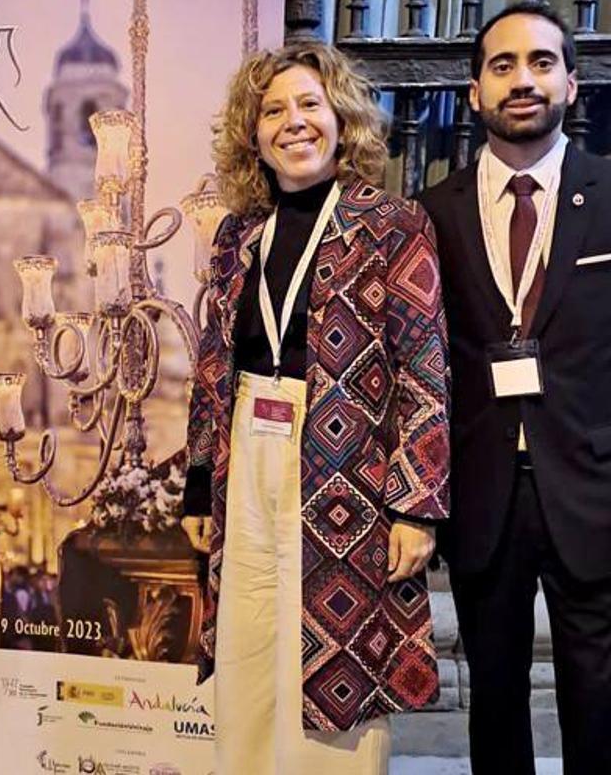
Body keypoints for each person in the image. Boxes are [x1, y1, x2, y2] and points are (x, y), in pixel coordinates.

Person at [417, 2, 611, 775]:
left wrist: (590, 417)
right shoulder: (429, 214)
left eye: (540, 62)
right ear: (473, 92)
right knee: (494, 705)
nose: (522, 81)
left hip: (594, 489)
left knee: (598, 707)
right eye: (501, 66)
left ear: (570, 83)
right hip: (482, 498)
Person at [182, 42, 451, 774]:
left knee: (336, 655)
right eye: (273, 111)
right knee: (246, 634)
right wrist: (199, 480)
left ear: (340, 119)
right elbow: (212, 363)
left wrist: (416, 505)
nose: (292, 123)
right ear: (252, 133)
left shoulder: (392, 224)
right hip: (246, 450)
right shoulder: (238, 234)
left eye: (308, 104)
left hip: (347, 472)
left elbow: (423, 368)